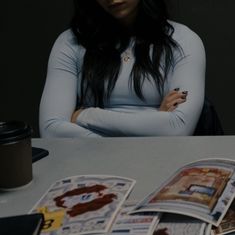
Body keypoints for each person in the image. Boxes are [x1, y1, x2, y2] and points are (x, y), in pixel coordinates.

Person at [39, 0, 206, 137]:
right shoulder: (70, 43)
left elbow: (176, 129)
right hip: (89, 165)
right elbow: (51, 130)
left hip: (161, 160)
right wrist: (154, 119)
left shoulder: (183, 40)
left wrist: (85, 115)